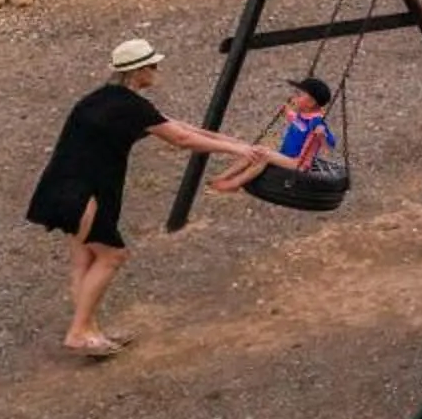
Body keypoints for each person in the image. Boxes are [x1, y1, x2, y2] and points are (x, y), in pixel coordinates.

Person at [24, 38, 270, 358]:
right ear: (138, 71)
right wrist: (239, 151)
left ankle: (90, 330)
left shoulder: (104, 99)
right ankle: (79, 332)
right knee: (113, 256)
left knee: (85, 259)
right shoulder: (130, 107)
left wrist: (239, 144)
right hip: (82, 193)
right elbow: (181, 139)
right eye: (153, 65)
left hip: (59, 187)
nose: (157, 70)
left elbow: (182, 126)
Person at [209, 76, 335, 195]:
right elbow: (300, 124)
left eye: (299, 95)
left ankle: (234, 184)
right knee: (254, 150)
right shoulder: (304, 116)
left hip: (298, 164)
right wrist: (288, 113)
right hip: (286, 157)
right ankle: (223, 176)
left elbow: (330, 144)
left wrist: (322, 135)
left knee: (264, 155)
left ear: (311, 102)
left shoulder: (317, 122)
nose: (294, 97)